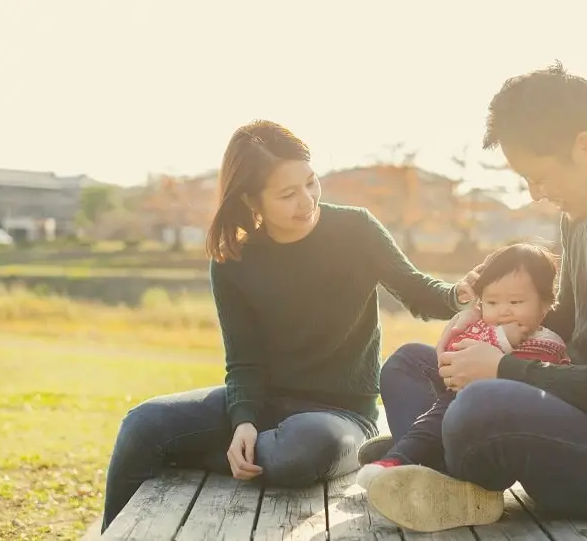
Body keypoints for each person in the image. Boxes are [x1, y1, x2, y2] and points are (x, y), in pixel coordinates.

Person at [360, 62, 587, 533]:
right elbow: (562, 325)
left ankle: (433, 455)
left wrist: (500, 368)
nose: (536, 195)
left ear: (586, 149)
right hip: (574, 409)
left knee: (483, 404)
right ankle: (432, 459)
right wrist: (485, 326)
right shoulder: (580, 218)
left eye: (540, 177)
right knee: (408, 364)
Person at [99, 120, 475, 532]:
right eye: (287, 194)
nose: (307, 201)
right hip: (265, 404)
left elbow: (416, 290)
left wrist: (458, 294)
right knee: (142, 424)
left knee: (302, 448)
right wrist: (243, 420)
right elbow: (243, 359)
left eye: (311, 183)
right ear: (251, 199)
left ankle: (230, 452)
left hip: (340, 416)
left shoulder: (355, 229)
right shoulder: (234, 260)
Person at [356, 242, 568, 501]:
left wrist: (500, 344)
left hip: (491, 446)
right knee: (406, 359)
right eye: (492, 302)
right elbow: (449, 356)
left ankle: (402, 457)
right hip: (455, 419)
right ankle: (419, 460)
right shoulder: (483, 327)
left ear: (546, 304)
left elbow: (530, 392)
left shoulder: (548, 345)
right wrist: (471, 316)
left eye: (516, 301)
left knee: (464, 399)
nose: (503, 311)